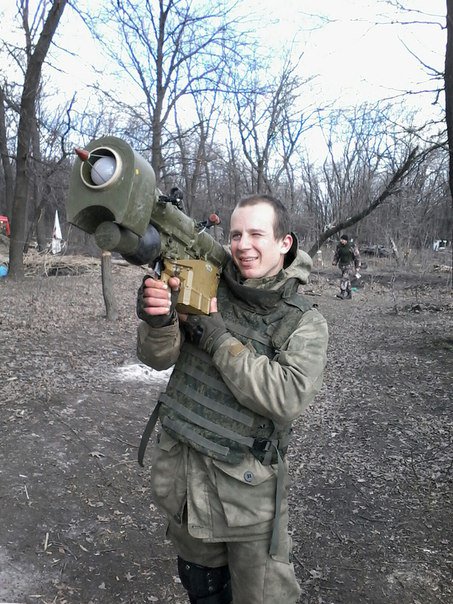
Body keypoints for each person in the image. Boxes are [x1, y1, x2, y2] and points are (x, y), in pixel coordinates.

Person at [136, 194, 329, 604]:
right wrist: (159, 321)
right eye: (236, 234)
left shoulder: (305, 322)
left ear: (284, 242)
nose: (243, 245)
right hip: (185, 481)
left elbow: (286, 395)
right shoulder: (207, 280)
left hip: (249, 501)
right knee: (202, 591)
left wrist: (219, 338)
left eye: (257, 233)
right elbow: (159, 358)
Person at [332, 234, 360, 299]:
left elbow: (357, 257)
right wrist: (335, 261)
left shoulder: (351, 246)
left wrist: (357, 266)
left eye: (343, 240)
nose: (341, 241)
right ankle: (349, 294)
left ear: (346, 240)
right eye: (341, 239)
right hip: (342, 265)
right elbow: (337, 255)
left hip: (350, 265)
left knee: (344, 279)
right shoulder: (339, 246)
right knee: (347, 280)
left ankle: (342, 293)